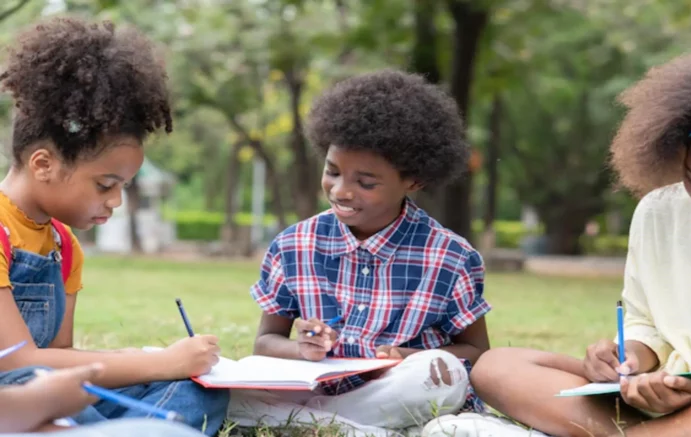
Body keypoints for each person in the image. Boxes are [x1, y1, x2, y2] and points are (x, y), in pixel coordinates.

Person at [426, 45, 691, 437]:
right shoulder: (659, 210)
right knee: (497, 367)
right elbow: (644, 321)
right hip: (666, 394)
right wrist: (631, 359)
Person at [227, 70, 492, 436]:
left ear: (413, 181)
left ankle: (320, 426)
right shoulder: (293, 245)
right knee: (234, 382)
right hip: (317, 389)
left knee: (437, 378)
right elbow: (265, 343)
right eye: (332, 172)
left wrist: (407, 358)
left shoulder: (450, 256)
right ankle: (360, 428)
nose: (341, 191)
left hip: (401, 388)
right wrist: (304, 349)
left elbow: (477, 354)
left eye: (365, 183)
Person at [0, 16, 228, 436]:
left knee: (200, 392)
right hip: (10, 394)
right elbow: (15, 361)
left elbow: (61, 356)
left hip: (48, 393)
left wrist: (163, 367)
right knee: (32, 382)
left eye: (123, 186)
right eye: (106, 184)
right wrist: (161, 360)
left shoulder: (64, 245)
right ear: (44, 165)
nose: (115, 201)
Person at [0, 363, 208, 436]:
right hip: (25, 391)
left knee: (197, 390)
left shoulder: (68, 261)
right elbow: (18, 361)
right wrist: (43, 400)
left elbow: (61, 346)